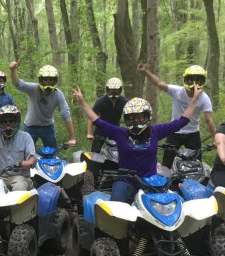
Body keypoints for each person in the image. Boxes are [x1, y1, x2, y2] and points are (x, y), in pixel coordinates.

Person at [72, 86, 204, 203]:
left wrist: (194, 99)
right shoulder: (120, 133)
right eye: (131, 118)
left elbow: (181, 122)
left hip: (151, 182)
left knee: (167, 208)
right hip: (125, 181)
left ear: (147, 117)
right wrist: (82, 102)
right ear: (126, 119)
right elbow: (97, 120)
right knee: (115, 208)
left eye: (140, 117)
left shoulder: (155, 131)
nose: (136, 121)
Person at [136, 62, 217, 169]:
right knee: (166, 164)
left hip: (193, 133)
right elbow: (160, 83)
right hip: (174, 132)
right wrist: (146, 71)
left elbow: (209, 120)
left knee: (196, 165)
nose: (194, 84)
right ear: (186, 80)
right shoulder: (177, 91)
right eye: (191, 80)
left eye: (198, 80)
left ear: (202, 81)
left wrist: (217, 138)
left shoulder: (204, 98)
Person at [8, 58, 77, 149]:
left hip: (47, 127)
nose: (48, 82)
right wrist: (13, 71)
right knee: (24, 151)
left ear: (55, 80)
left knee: (52, 152)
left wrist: (72, 137)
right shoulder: (34, 89)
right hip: (30, 126)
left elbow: (66, 113)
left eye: (51, 80)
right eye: (45, 80)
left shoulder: (58, 94)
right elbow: (18, 84)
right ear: (41, 80)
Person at [87, 77, 128, 152]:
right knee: (95, 152)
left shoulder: (124, 101)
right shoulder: (100, 101)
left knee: (121, 151)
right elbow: (91, 117)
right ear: (107, 90)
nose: (113, 93)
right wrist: (89, 133)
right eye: (111, 91)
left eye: (116, 91)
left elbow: (130, 116)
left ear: (120, 90)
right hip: (100, 130)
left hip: (115, 129)